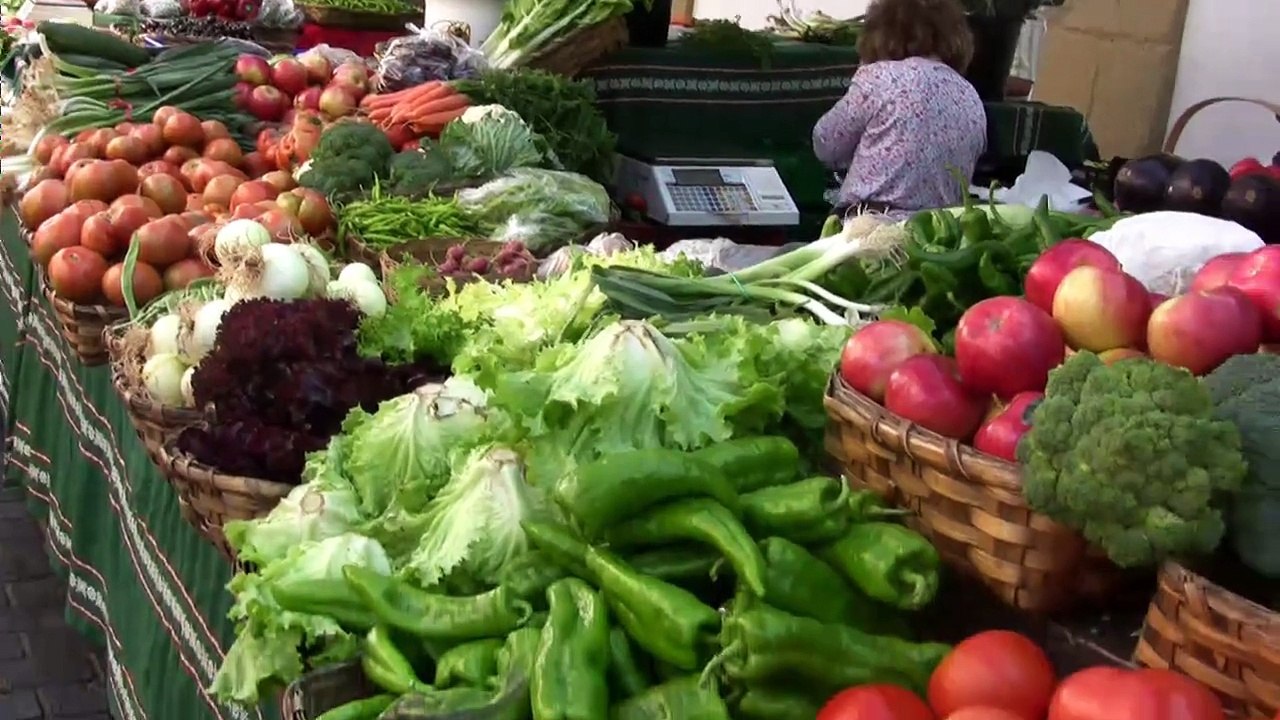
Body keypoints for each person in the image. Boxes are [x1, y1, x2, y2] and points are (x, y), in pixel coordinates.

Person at [812, 0, 987, 218]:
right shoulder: (969, 94)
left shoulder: (879, 78)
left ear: (881, 33)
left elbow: (826, 144)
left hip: (870, 230)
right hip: (939, 237)